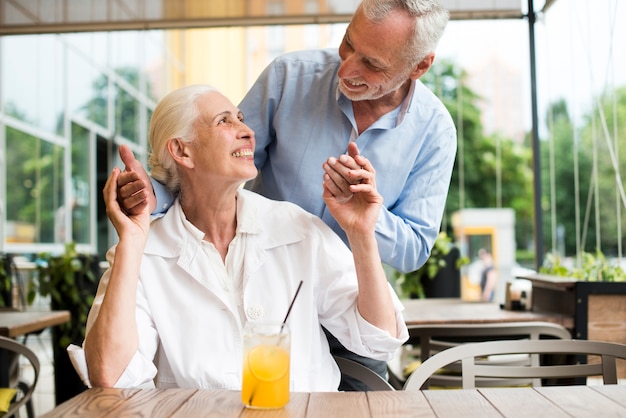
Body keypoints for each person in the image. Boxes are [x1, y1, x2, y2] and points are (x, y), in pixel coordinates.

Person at [115, 0, 455, 390]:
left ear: (419, 66)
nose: (346, 69)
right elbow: (216, 164)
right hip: (270, 302)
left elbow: (414, 248)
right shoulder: (289, 77)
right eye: (348, 43)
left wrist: (367, 217)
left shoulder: (436, 131)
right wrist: (153, 196)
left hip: (355, 304)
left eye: (372, 65)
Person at [67, 85, 408, 391]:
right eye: (224, 121)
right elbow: (110, 376)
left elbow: (378, 339)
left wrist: (362, 234)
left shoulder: (297, 229)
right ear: (182, 152)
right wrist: (132, 239)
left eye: (242, 119)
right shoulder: (142, 252)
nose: (246, 131)